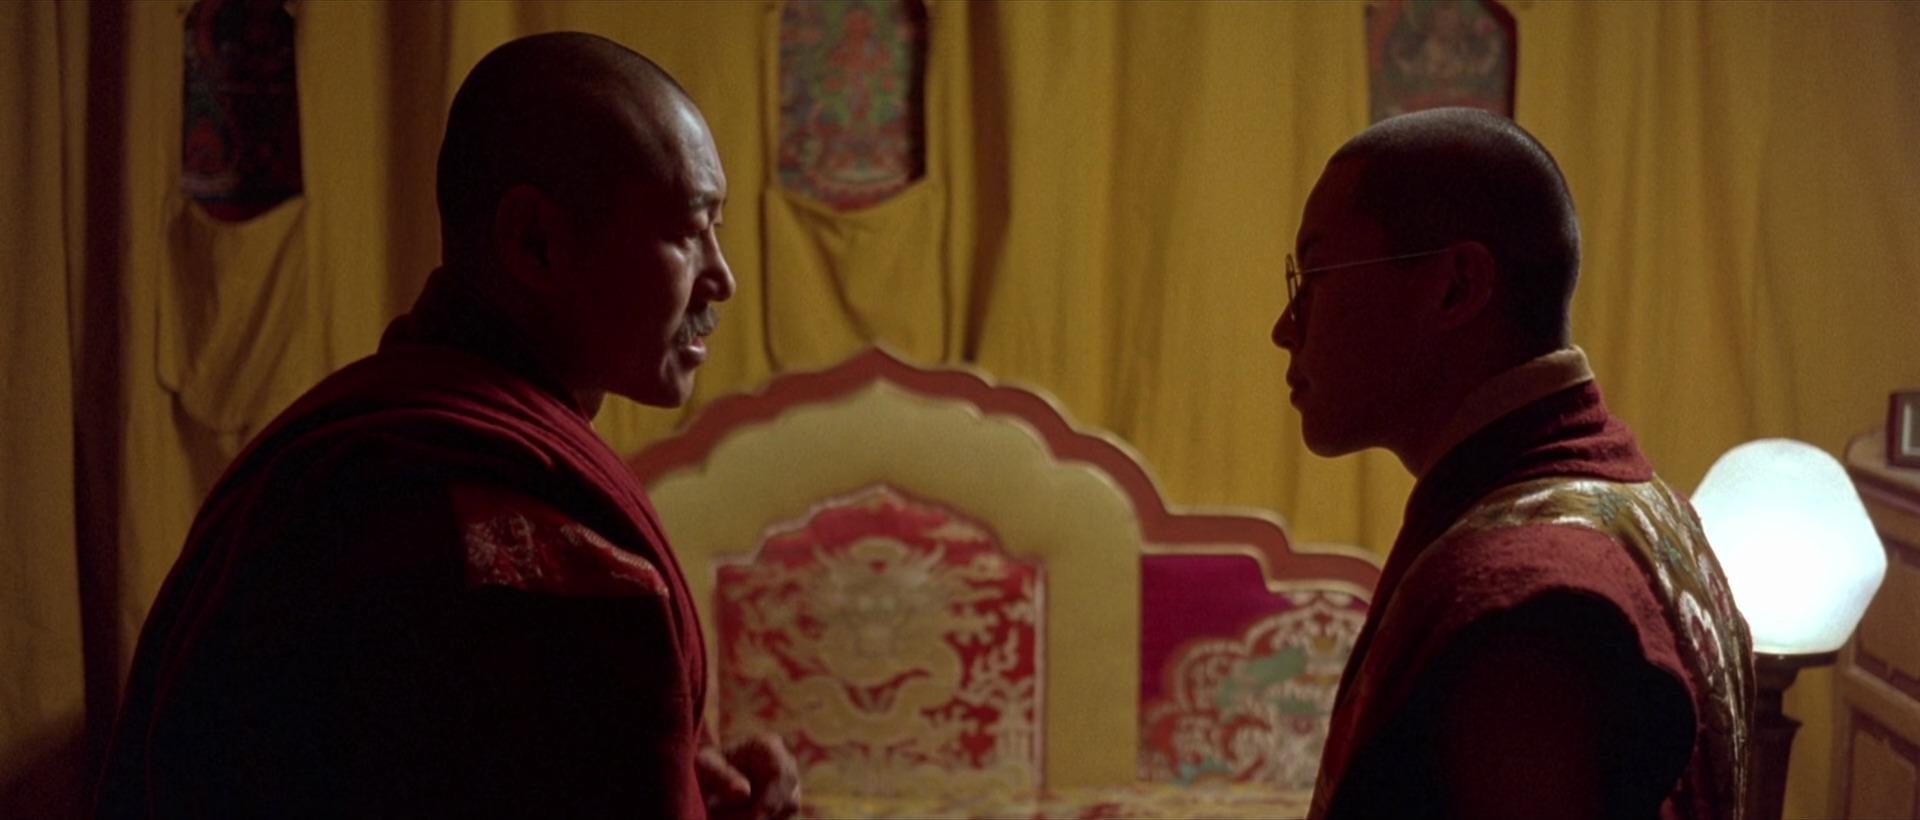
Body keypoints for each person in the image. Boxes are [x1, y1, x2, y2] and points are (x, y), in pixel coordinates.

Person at [96, 32, 798, 819]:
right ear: (536, 243)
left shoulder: (339, 447)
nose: (721, 278)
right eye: (689, 229)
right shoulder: (538, 563)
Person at [1271, 107, 1753, 819]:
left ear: (1456, 287)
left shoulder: (1525, 599)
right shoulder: (1649, 506)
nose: (1285, 328)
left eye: (1315, 276)